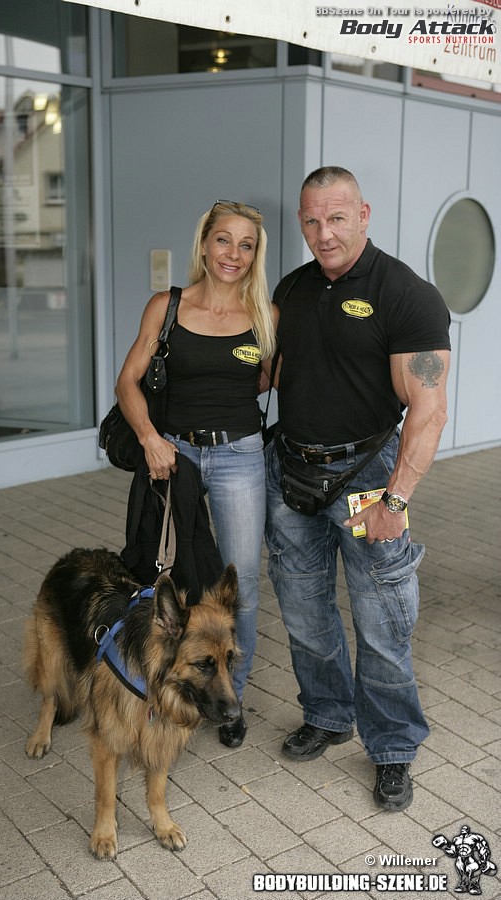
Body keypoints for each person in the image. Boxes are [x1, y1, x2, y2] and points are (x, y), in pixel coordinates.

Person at [265, 166, 450, 811]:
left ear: (364, 215)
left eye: (337, 218)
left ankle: (393, 747)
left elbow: (429, 410)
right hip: (291, 469)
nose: (325, 234)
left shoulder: (406, 295)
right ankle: (326, 713)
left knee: (379, 622)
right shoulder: (291, 289)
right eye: (312, 221)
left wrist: (395, 500)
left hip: (368, 477)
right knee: (303, 609)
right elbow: (269, 373)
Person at [116, 200, 278, 748]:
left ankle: (230, 701)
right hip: (174, 455)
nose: (234, 253)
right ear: (204, 244)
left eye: (246, 245)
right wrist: (149, 438)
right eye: (224, 240)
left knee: (240, 583)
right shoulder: (166, 306)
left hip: (239, 456)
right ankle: (167, 688)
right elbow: (128, 382)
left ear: (255, 255)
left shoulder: (265, 316)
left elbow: (267, 380)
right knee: (171, 573)